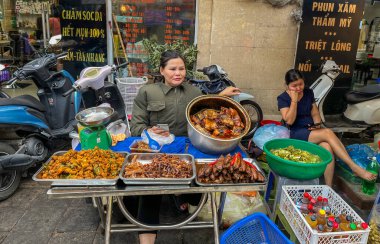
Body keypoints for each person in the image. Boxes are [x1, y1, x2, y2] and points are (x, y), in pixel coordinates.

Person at [129, 50, 239, 244]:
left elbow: (208, 109)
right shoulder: (148, 91)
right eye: (172, 69)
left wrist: (223, 95)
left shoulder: (193, 92)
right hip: (157, 151)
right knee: (150, 193)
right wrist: (150, 130)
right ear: (162, 70)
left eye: (181, 68)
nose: (178, 73)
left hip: (188, 152)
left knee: (199, 189)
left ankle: (184, 198)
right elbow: (136, 126)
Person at [277, 69, 376, 186]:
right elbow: (290, 120)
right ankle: (353, 167)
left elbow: (314, 112)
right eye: (294, 86)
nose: (299, 88)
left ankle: (328, 188)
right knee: (328, 132)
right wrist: (294, 101)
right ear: (287, 85)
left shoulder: (308, 92)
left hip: (311, 131)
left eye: (301, 84)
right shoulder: (283, 98)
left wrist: (317, 125)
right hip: (295, 133)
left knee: (327, 148)